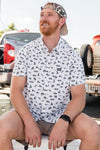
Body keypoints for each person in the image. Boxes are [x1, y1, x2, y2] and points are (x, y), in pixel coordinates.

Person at [0, 2, 100, 150]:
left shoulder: (72, 56)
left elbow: (79, 97)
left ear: (61, 21)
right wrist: (29, 122)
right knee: (1, 129)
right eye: (41, 15)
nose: (43, 18)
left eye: (49, 14)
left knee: (94, 131)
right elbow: (16, 91)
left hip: (61, 117)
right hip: (28, 115)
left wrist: (63, 121)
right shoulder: (27, 52)